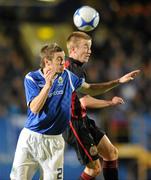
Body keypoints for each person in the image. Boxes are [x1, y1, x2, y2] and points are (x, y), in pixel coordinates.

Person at [10, 42, 139, 180]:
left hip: (55, 141)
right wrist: (47, 86)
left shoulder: (67, 76)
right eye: (59, 59)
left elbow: (90, 88)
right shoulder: (32, 78)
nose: (63, 62)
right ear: (47, 62)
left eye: (63, 58)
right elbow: (35, 108)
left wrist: (118, 81)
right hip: (31, 138)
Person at [63, 31, 140, 180]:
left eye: (90, 47)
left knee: (111, 153)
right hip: (73, 124)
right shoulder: (72, 70)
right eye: (86, 47)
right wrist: (111, 99)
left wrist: (118, 82)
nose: (90, 51)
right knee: (94, 170)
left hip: (83, 119)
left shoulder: (75, 67)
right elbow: (85, 98)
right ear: (73, 49)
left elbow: (88, 92)